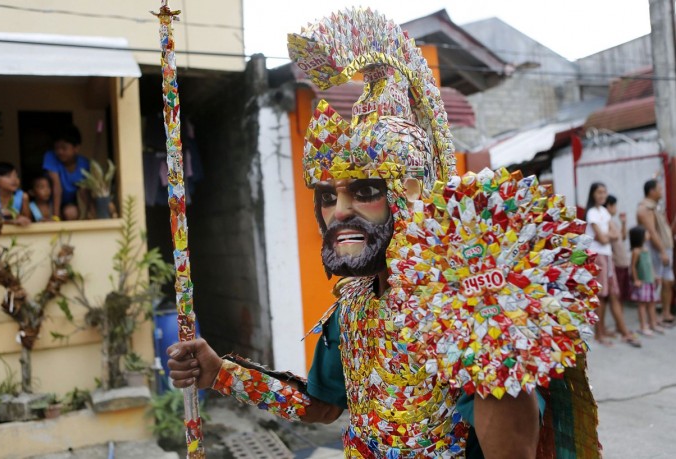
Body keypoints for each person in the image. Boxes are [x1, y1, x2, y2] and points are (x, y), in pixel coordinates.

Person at [167, 9, 600, 458]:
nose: (341, 211)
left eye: (365, 191)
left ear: (408, 194)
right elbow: (323, 405)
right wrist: (219, 373)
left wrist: (491, 346)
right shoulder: (352, 305)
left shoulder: (458, 301)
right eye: (329, 197)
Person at [585, 183, 640, 347]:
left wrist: (605, 235)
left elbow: (614, 235)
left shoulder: (603, 213)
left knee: (610, 294)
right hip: (598, 256)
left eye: (604, 192)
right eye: (599, 192)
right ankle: (599, 334)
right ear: (593, 194)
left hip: (608, 256)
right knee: (601, 296)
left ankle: (604, 330)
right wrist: (606, 236)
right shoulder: (592, 213)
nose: (602, 195)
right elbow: (602, 239)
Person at [636, 179, 675, 326]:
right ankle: (650, 318)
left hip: (664, 248)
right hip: (657, 250)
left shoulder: (655, 206)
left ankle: (665, 313)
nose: (662, 192)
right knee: (654, 282)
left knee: (668, 280)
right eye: (659, 189)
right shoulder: (644, 208)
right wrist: (662, 251)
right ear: (651, 191)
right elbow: (651, 232)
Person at [42, 124, 90, 220]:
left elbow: (84, 191)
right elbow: (57, 186)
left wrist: (91, 212)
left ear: (76, 148)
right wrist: (55, 217)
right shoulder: (50, 157)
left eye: (64, 148)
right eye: (57, 148)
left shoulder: (84, 164)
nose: (59, 152)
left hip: (71, 203)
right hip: (50, 201)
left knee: (70, 212)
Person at [629, 226, 663, 336]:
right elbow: (633, 267)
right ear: (640, 237)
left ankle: (653, 324)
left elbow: (650, 265)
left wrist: (655, 276)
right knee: (642, 305)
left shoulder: (646, 250)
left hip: (650, 281)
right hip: (642, 282)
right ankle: (643, 326)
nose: (648, 234)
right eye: (646, 233)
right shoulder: (636, 251)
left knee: (652, 303)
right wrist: (636, 279)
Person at [0, 162, 31, 226]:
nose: (14, 179)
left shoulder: (23, 196)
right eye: (8, 176)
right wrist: (11, 221)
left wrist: (14, 215)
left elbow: (27, 220)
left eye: (16, 176)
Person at [606, 195, 630, 302]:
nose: (616, 208)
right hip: (616, 263)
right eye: (615, 205)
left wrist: (623, 223)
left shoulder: (613, 222)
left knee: (621, 295)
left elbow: (622, 237)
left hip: (622, 262)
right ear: (609, 206)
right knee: (617, 295)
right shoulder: (606, 222)